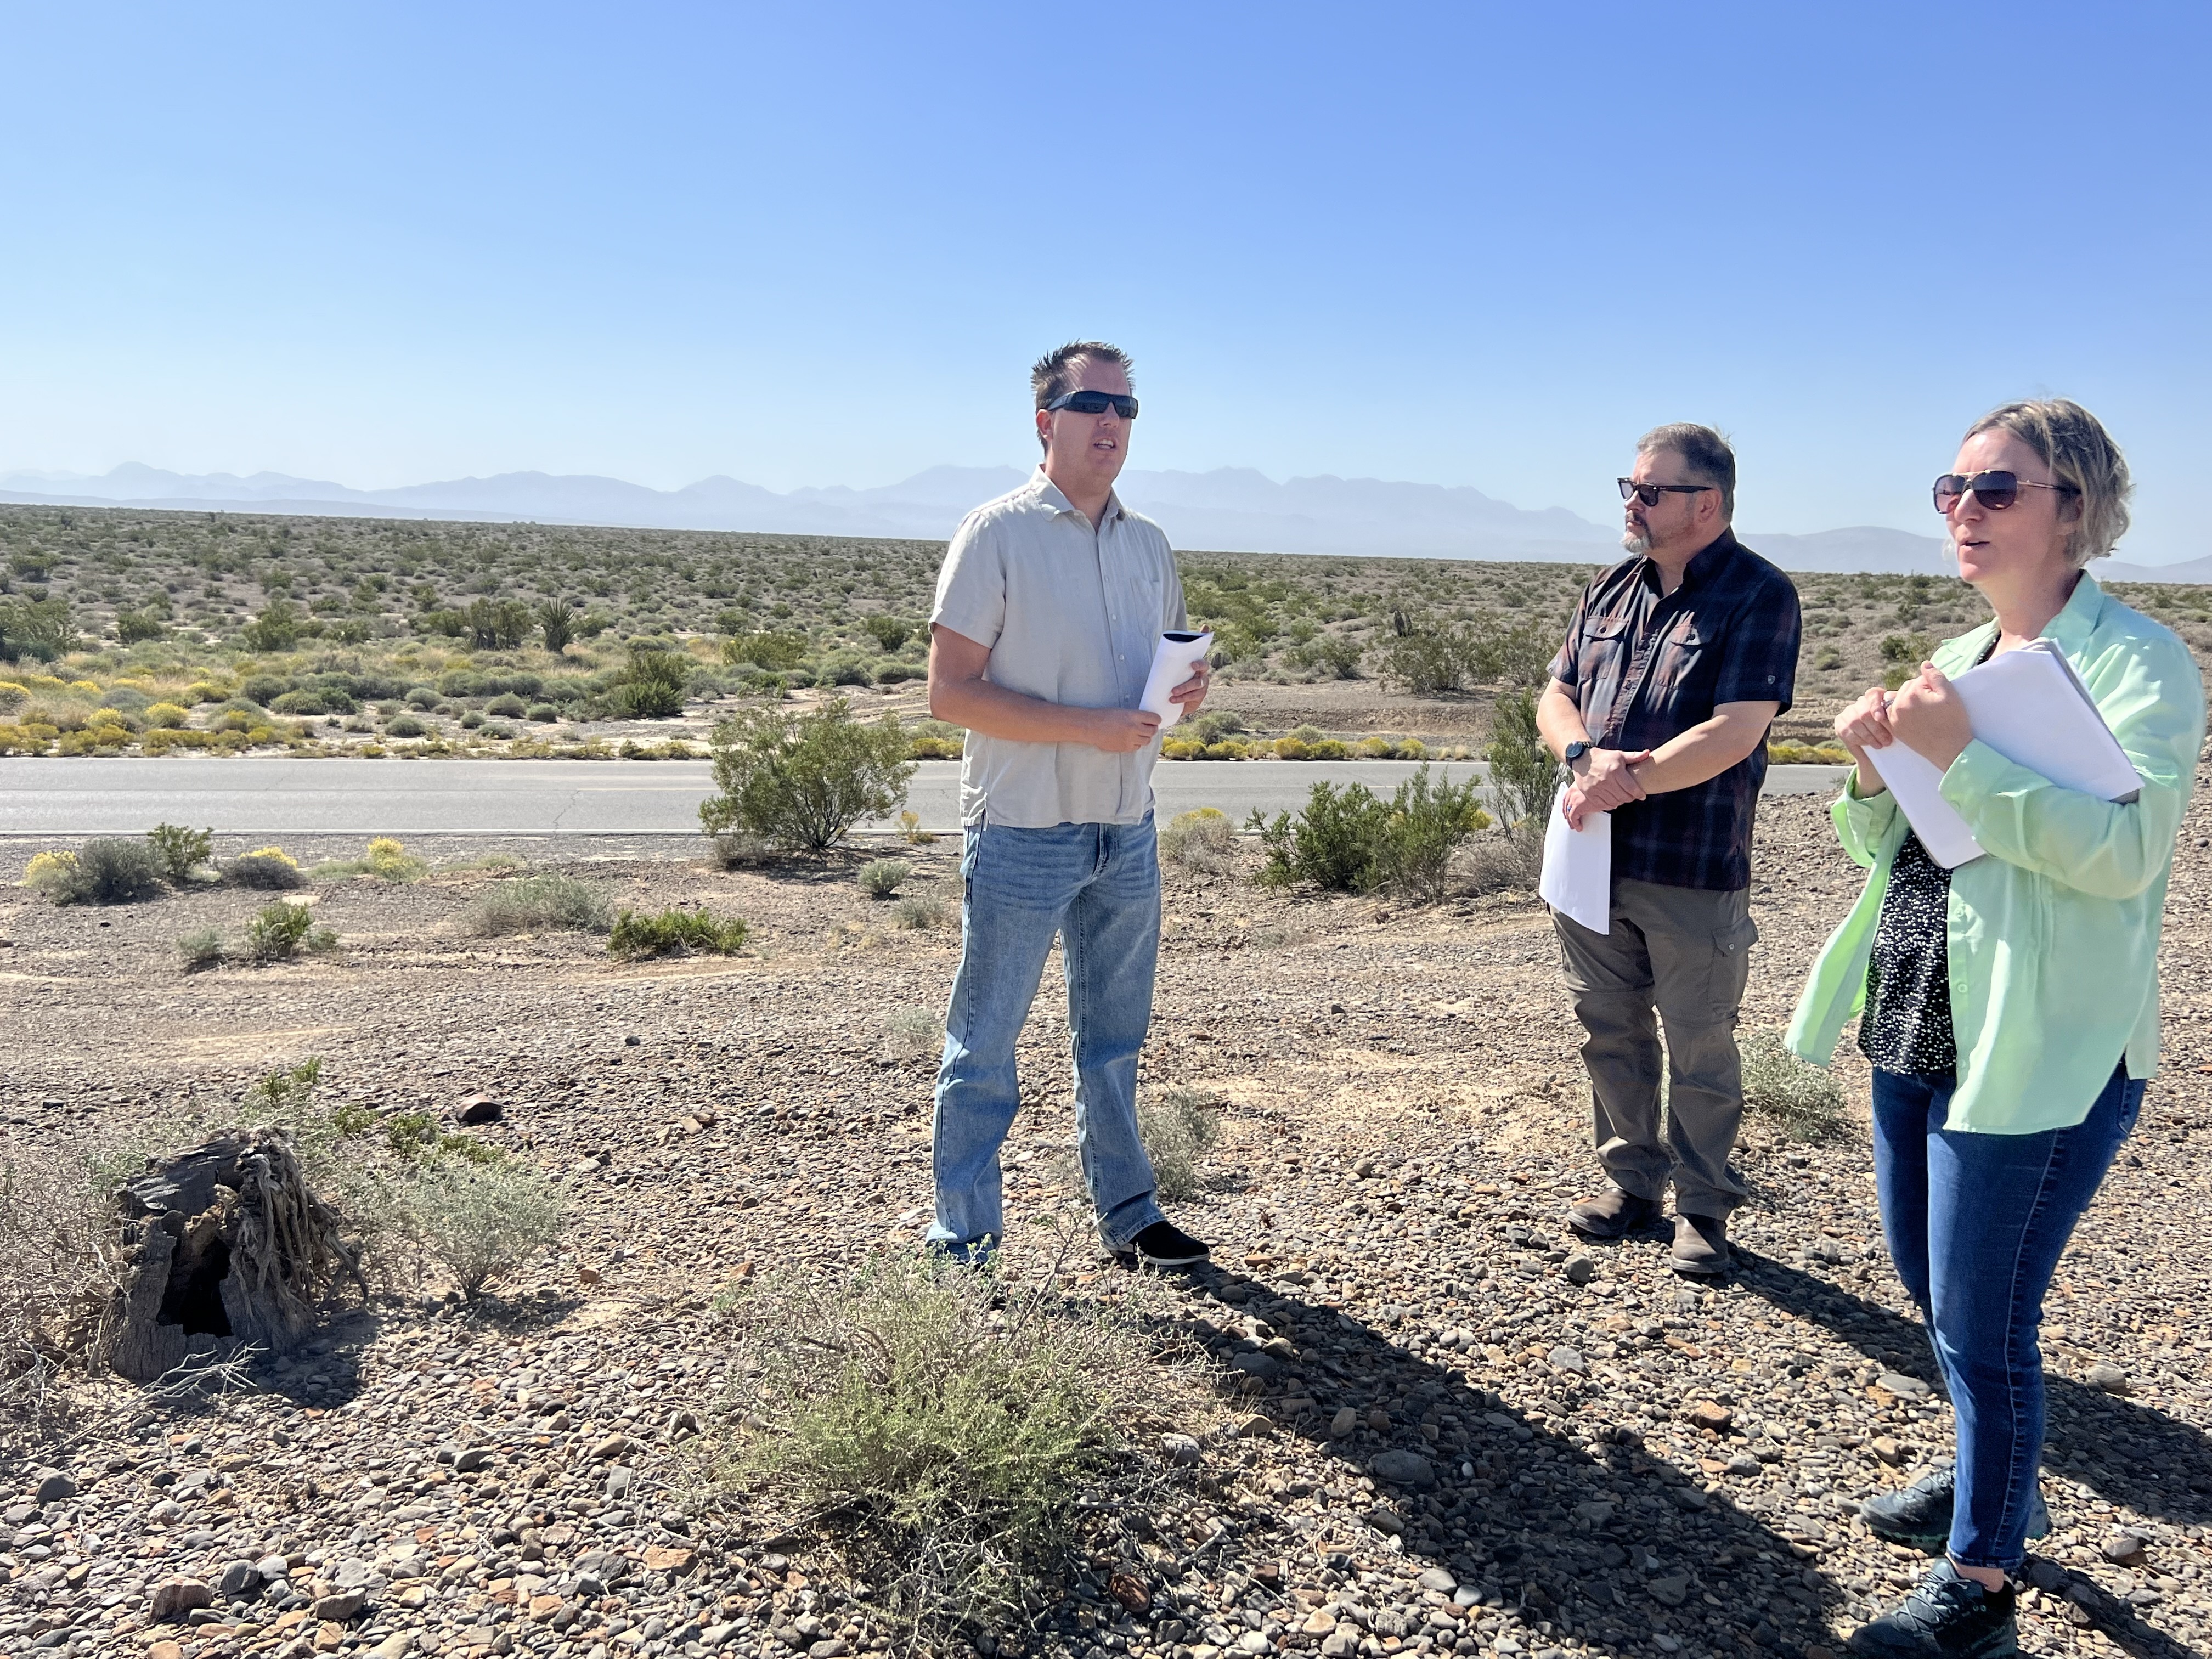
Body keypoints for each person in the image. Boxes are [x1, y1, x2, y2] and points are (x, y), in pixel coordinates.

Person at [1787, 400, 2204, 1657]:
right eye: (1950, 488)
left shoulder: (2144, 664)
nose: (1962, 510)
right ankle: (1996, 1480)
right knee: (1933, 1287)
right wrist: (1874, 772)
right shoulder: (1961, 657)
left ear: (2072, 505)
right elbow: (1900, 847)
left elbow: (2127, 854)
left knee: (1987, 1316)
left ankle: (1978, 1587)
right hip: (1920, 1014)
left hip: (2043, 1044)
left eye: (1995, 489)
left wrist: (1958, 757)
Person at [922, 341, 1214, 1271]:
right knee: (984, 1049)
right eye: (1092, 404)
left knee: (1115, 1040)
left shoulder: (1149, 544)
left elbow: (1155, 681)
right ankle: (962, 1241)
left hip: (1124, 830)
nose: (1111, 425)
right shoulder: (995, 533)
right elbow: (951, 694)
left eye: (1126, 409)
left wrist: (1184, 694)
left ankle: (1131, 1217)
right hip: (1021, 830)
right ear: (1045, 420)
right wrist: (1086, 728)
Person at [1538, 424, 1803, 1274]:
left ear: (1708, 502)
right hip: (1593, 859)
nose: (1631, 502)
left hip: (1691, 867)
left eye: (1650, 491)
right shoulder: (1609, 589)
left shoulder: (1760, 595)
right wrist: (1583, 758)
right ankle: (1631, 1183)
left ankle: (1703, 1205)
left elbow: (1736, 730)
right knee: (1608, 1029)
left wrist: (1629, 779)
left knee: (1700, 1040)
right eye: (1630, 486)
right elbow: (1556, 695)